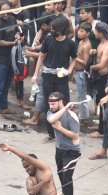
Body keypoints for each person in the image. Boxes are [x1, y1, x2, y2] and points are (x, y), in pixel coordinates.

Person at [31, 14, 77, 143]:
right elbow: (41, 56)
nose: (52, 31)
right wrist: (35, 74)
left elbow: (74, 59)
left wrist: (69, 70)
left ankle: (64, 132)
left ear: (62, 29)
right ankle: (51, 134)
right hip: (47, 79)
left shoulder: (70, 43)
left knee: (64, 106)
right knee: (49, 105)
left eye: (54, 29)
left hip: (62, 80)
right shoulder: (48, 39)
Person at [46, 92, 81, 195]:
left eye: (53, 104)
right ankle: (64, 192)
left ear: (61, 102)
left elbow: (75, 136)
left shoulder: (71, 116)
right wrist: (65, 107)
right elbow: (51, 120)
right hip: (59, 149)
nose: (51, 106)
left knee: (67, 178)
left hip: (72, 151)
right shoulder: (51, 112)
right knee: (60, 174)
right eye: (50, 104)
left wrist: (60, 128)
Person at [23, 11, 52, 126]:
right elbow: (42, 46)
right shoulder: (55, 34)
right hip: (53, 69)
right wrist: (33, 47)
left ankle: (35, 118)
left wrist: (31, 53)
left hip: (46, 68)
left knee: (40, 94)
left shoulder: (50, 36)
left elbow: (44, 54)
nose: (42, 27)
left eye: (43, 25)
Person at [0, 3, 20, 118]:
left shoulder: (13, 19)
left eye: (8, 12)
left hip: (10, 57)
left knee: (7, 83)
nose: (5, 14)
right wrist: (12, 43)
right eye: (3, 12)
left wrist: (17, 36)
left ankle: (4, 107)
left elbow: (17, 30)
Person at [87, 22, 108, 138]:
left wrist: (90, 68)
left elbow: (102, 64)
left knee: (103, 104)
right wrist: (94, 52)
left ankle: (102, 131)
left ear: (101, 33)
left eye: (96, 31)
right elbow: (99, 56)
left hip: (103, 77)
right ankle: (100, 125)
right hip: (98, 77)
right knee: (98, 102)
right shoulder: (101, 43)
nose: (94, 33)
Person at [74, 22, 92, 124]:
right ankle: (82, 114)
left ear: (87, 33)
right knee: (80, 95)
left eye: (82, 31)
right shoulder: (81, 42)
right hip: (77, 72)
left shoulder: (86, 45)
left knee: (82, 96)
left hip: (82, 73)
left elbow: (86, 62)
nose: (79, 33)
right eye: (79, 30)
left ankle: (83, 118)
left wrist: (75, 58)